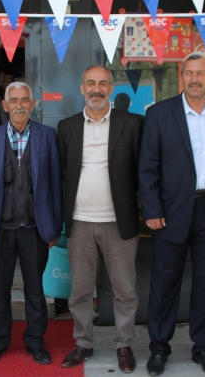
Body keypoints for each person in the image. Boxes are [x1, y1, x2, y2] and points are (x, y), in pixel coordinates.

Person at [139, 52, 205, 376]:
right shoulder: (159, 113)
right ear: (181, 76)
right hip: (171, 210)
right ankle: (159, 348)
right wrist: (152, 209)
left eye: (201, 73)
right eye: (189, 73)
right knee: (164, 283)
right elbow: (147, 167)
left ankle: (203, 348)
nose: (194, 78)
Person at [57, 66, 143, 373]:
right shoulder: (67, 127)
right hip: (79, 222)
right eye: (91, 83)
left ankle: (123, 344)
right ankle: (83, 342)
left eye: (103, 83)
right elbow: (62, 173)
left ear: (111, 88)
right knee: (79, 290)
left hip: (119, 222)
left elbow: (142, 172)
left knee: (125, 290)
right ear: (82, 88)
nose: (97, 89)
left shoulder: (133, 124)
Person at [0, 82, 62, 366]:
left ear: (33, 104)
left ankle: (36, 342)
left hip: (35, 228)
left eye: (25, 100)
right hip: (0, 228)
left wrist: (54, 226)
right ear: (5, 105)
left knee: (35, 289)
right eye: (14, 100)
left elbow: (56, 185)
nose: (20, 105)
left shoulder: (47, 136)